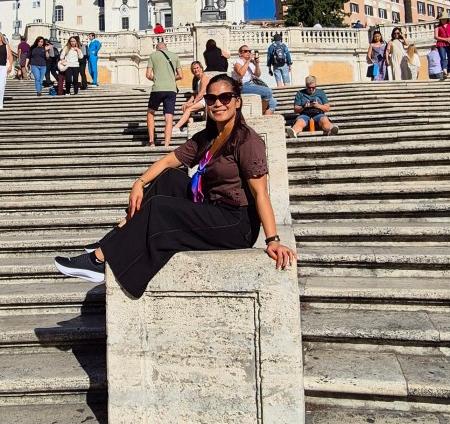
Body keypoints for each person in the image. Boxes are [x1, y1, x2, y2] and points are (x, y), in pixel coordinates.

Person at [52, 74, 297, 295]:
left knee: (159, 208)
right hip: (212, 207)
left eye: (225, 97)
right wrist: (139, 182)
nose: (218, 103)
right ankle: (117, 235)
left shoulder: (246, 141)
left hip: (235, 222)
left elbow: (260, 193)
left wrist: (272, 239)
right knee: (170, 178)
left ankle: (100, 259)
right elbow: (169, 160)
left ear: (237, 101)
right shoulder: (209, 136)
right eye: (211, 98)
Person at [145, 39, 182, 147]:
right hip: (171, 89)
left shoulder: (153, 55)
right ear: (166, 47)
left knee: (150, 113)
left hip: (157, 89)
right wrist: (170, 78)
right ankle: (166, 144)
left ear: (157, 48)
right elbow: (181, 75)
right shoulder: (175, 56)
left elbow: (148, 75)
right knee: (169, 117)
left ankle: (152, 141)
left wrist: (156, 79)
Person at [231, 45, 277, 113]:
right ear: (240, 53)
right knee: (268, 92)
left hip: (251, 84)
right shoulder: (237, 62)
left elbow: (257, 75)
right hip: (241, 85)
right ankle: (260, 112)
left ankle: (264, 119)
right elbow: (241, 73)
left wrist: (257, 64)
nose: (248, 53)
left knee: (273, 103)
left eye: (249, 51)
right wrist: (248, 60)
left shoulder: (250, 64)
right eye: (245, 51)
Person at [174, 60, 209, 133]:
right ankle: (191, 126)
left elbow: (202, 92)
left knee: (189, 109)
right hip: (201, 100)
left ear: (201, 68)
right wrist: (187, 103)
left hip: (205, 100)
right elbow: (194, 94)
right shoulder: (197, 79)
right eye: (194, 69)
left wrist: (194, 102)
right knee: (186, 107)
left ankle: (176, 127)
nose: (196, 70)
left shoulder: (204, 77)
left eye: (197, 67)